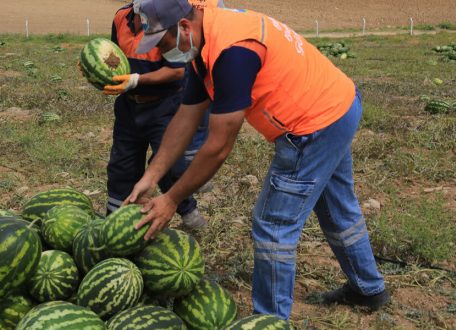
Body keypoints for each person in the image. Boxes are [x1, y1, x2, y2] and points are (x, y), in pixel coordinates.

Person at [124, 0, 390, 320]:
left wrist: (172, 199)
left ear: (182, 27)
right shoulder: (204, 38)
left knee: (274, 226)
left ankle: (269, 321)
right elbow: (186, 115)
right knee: (337, 207)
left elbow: (218, 146)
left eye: (164, 43)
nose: (162, 54)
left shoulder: (233, 52)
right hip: (336, 106)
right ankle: (368, 289)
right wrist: (152, 175)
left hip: (312, 128)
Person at [101, 0, 209, 229]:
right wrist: (97, 72)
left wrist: (137, 80)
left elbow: (177, 71)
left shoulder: (164, 20)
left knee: (169, 165)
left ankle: (188, 212)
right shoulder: (121, 16)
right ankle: (113, 223)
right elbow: (111, 58)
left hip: (164, 106)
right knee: (122, 165)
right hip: (129, 106)